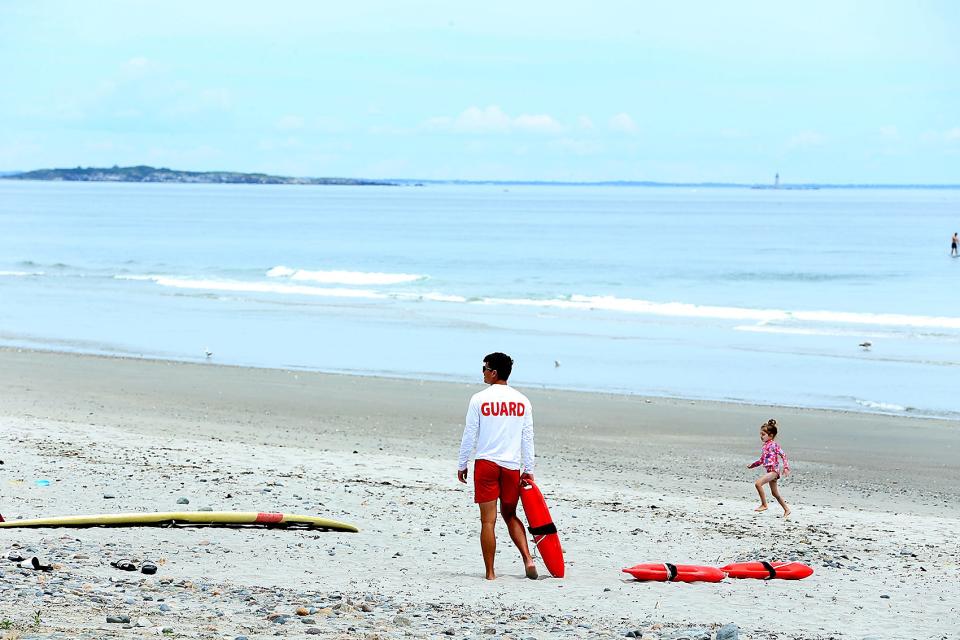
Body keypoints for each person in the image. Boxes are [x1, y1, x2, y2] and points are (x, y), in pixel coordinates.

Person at [457, 352, 538, 580]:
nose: (482, 372)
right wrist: (529, 469)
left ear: (494, 372)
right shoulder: (522, 401)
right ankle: (528, 559)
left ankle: (490, 573)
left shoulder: (479, 399)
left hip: (486, 465)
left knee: (488, 521)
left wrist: (462, 463)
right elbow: (528, 438)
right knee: (510, 515)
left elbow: (470, 434)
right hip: (511, 466)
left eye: (484, 368)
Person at [747, 418, 791, 518]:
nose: (761, 436)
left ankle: (764, 504)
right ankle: (786, 509)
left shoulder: (774, 445)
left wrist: (786, 467)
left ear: (770, 435)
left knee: (758, 484)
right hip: (770, 471)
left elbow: (783, 455)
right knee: (775, 493)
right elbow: (761, 460)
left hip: (774, 471)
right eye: (760, 434)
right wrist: (752, 465)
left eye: (763, 434)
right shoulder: (764, 446)